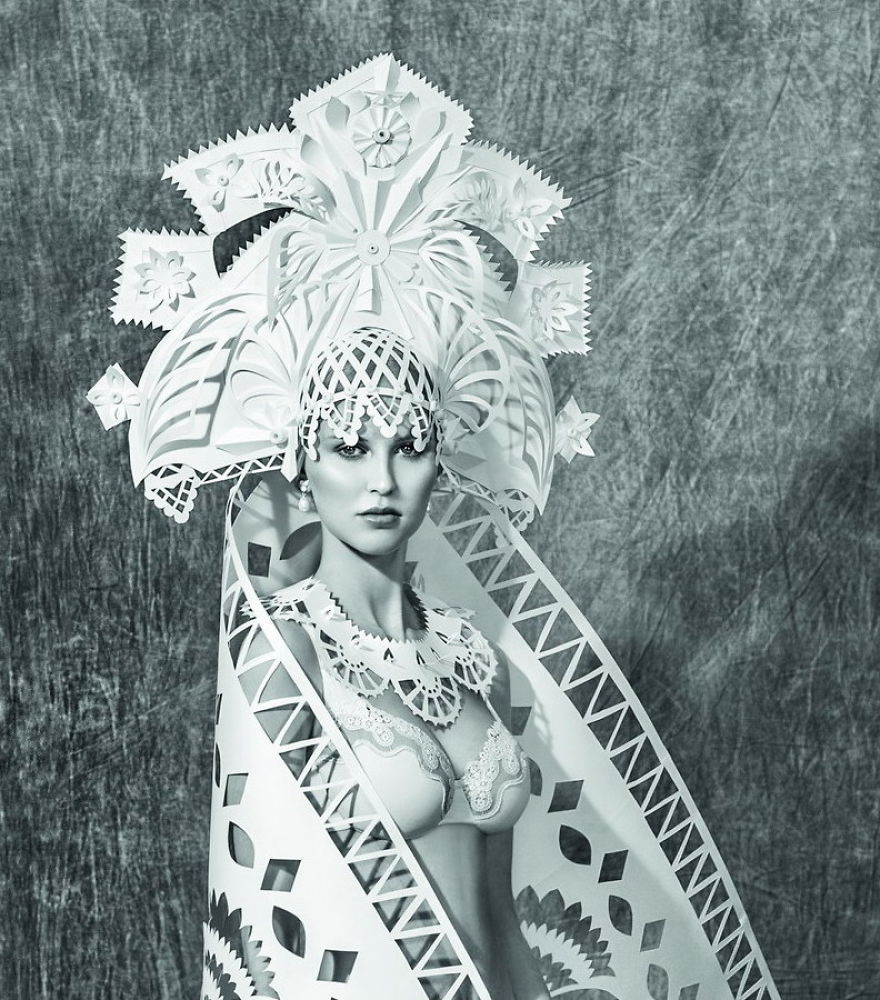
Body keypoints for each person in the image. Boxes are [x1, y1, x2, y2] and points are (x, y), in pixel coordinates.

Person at [88, 54, 780, 1000]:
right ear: (299, 463)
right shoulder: (288, 652)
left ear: (439, 460)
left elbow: (503, 922)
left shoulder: (469, 656)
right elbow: (266, 907)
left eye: (408, 446)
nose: (381, 479)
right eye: (348, 448)